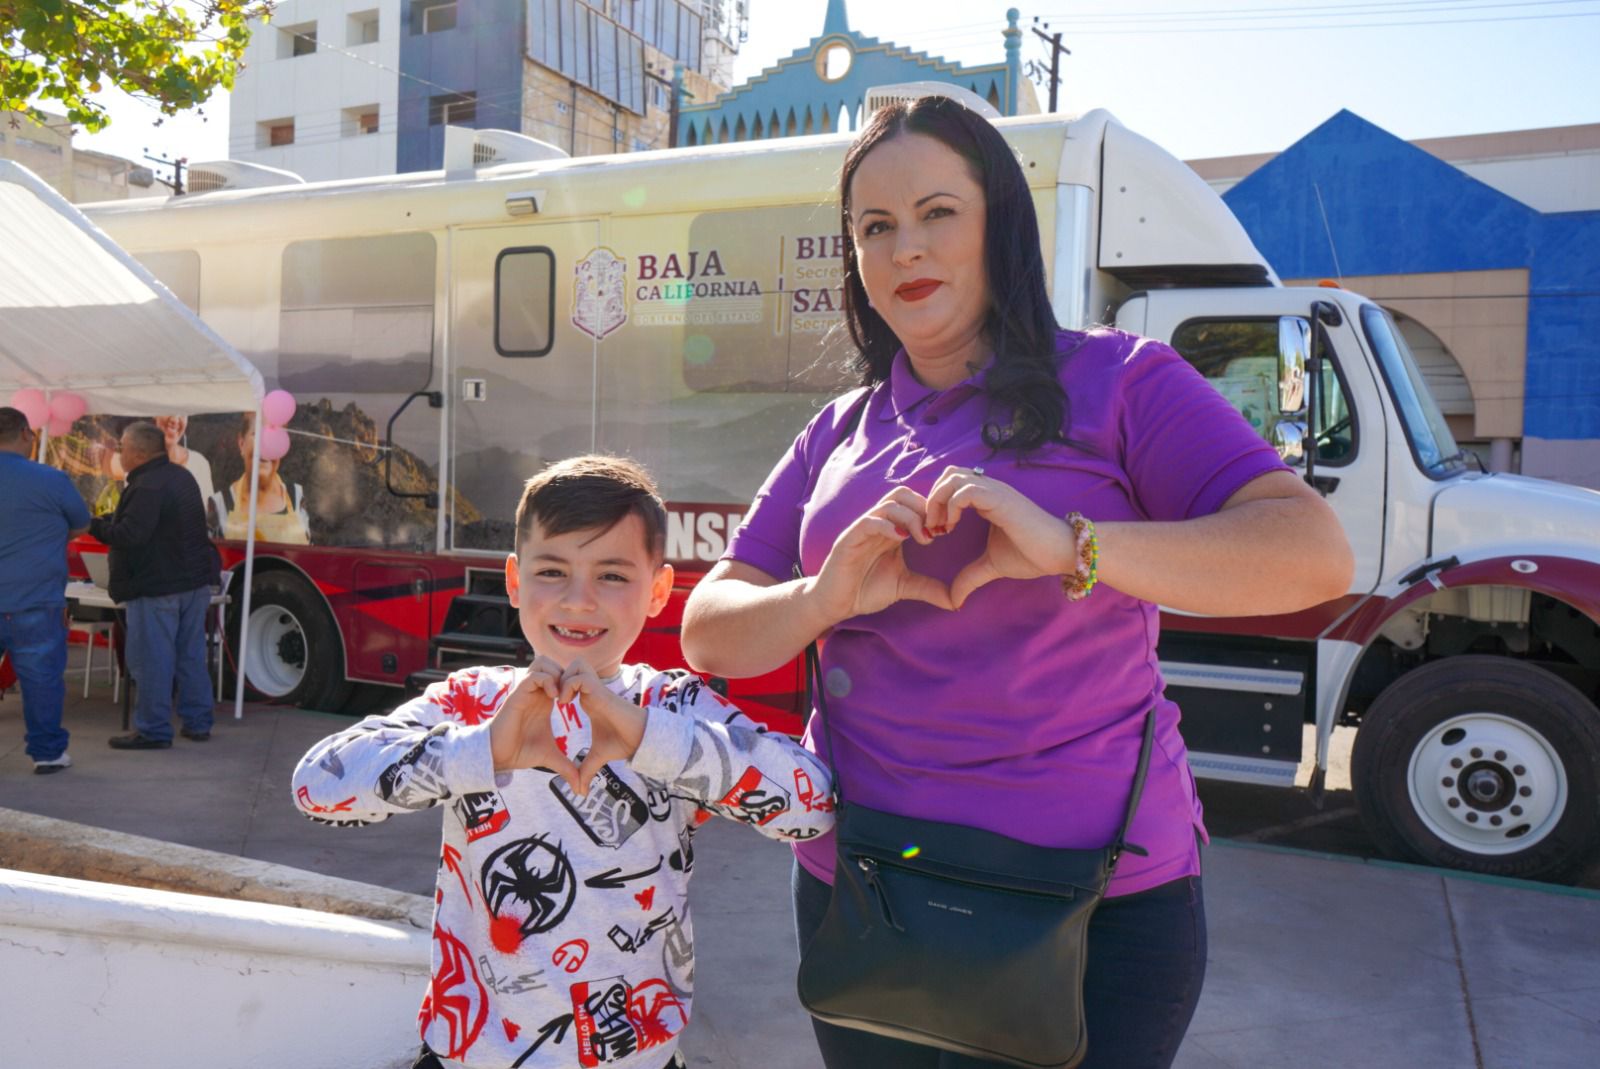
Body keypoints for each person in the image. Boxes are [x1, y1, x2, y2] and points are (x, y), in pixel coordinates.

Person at [680, 96, 1356, 1069]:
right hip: (866, 890)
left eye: (937, 212)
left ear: (1001, 224)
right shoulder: (837, 432)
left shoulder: (1123, 380)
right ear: (854, 258)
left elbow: (1310, 551)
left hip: (1093, 906)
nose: (906, 247)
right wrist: (823, 597)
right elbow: (710, 630)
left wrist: (1075, 546)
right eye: (875, 227)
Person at [290, 455, 834, 1069]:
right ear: (515, 581)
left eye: (611, 575)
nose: (579, 601)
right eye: (553, 571)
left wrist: (644, 737)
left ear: (659, 591)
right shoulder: (474, 703)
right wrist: (484, 750)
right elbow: (318, 785)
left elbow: (811, 806)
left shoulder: (671, 707)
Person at [90, 420, 220, 749]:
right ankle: (197, 722)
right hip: (193, 583)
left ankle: (153, 730)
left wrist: (93, 526)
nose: (120, 452)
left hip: (158, 586)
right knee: (189, 656)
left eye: (123, 447)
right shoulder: (181, 476)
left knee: (152, 661)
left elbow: (132, 535)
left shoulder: (147, 486)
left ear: (139, 452)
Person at [0, 406, 90, 773]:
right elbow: (81, 525)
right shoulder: (51, 479)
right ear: (26, 433)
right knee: (41, 682)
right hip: (35, 598)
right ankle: (48, 753)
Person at [209, 411, 310, 544]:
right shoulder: (219, 504)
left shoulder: (297, 498)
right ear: (241, 443)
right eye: (257, 435)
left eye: (273, 438)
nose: (265, 446)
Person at [154, 413, 216, 503]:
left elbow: (207, 514)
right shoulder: (137, 463)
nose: (175, 420)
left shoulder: (200, 464)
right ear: (154, 414)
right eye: (168, 409)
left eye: (182, 413)